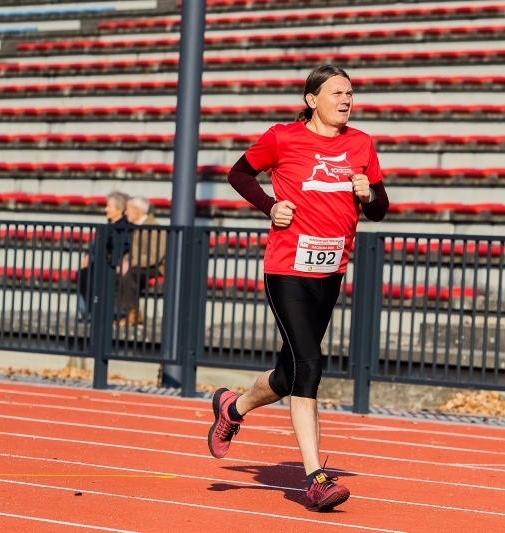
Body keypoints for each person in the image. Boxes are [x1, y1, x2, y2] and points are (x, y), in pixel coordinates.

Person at [206, 64, 389, 512]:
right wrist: (271, 207)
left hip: (331, 271)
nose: (346, 100)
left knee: (288, 377)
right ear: (311, 99)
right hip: (288, 268)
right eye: (336, 93)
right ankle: (316, 480)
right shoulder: (282, 137)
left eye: (350, 93)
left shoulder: (361, 144)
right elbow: (238, 174)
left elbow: (381, 210)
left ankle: (232, 408)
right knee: (310, 365)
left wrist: (368, 195)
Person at [76, 191, 130, 321]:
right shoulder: (109, 226)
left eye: (109, 206)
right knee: (83, 274)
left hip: (109, 263)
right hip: (101, 261)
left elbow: (121, 247)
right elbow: (96, 245)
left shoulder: (124, 228)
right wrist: (88, 255)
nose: (106, 209)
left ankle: (94, 311)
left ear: (119, 209)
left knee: (90, 275)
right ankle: (89, 311)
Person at [116, 195, 166, 327]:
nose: (125, 212)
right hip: (141, 264)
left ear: (138, 210)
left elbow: (155, 256)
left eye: (128, 209)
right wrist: (123, 262)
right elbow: (132, 252)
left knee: (131, 273)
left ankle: (133, 314)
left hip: (156, 267)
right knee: (117, 272)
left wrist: (130, 263)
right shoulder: (138, 226)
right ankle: (120, 312)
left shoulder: (154, 227)